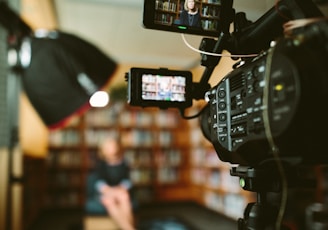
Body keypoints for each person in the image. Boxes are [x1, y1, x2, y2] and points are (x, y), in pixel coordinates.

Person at [85, 136, 135, 230]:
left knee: (124, 197)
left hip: (120, 191)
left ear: (116, 147)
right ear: (103, 150)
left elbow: (127, 180)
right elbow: (98, 182)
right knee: (109, 201)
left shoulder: (123, 162)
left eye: (112, 146)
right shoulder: (100, 164)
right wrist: (109, 190)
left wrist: (120, 188)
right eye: (107, 147)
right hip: (107, 192)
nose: (110, 149)